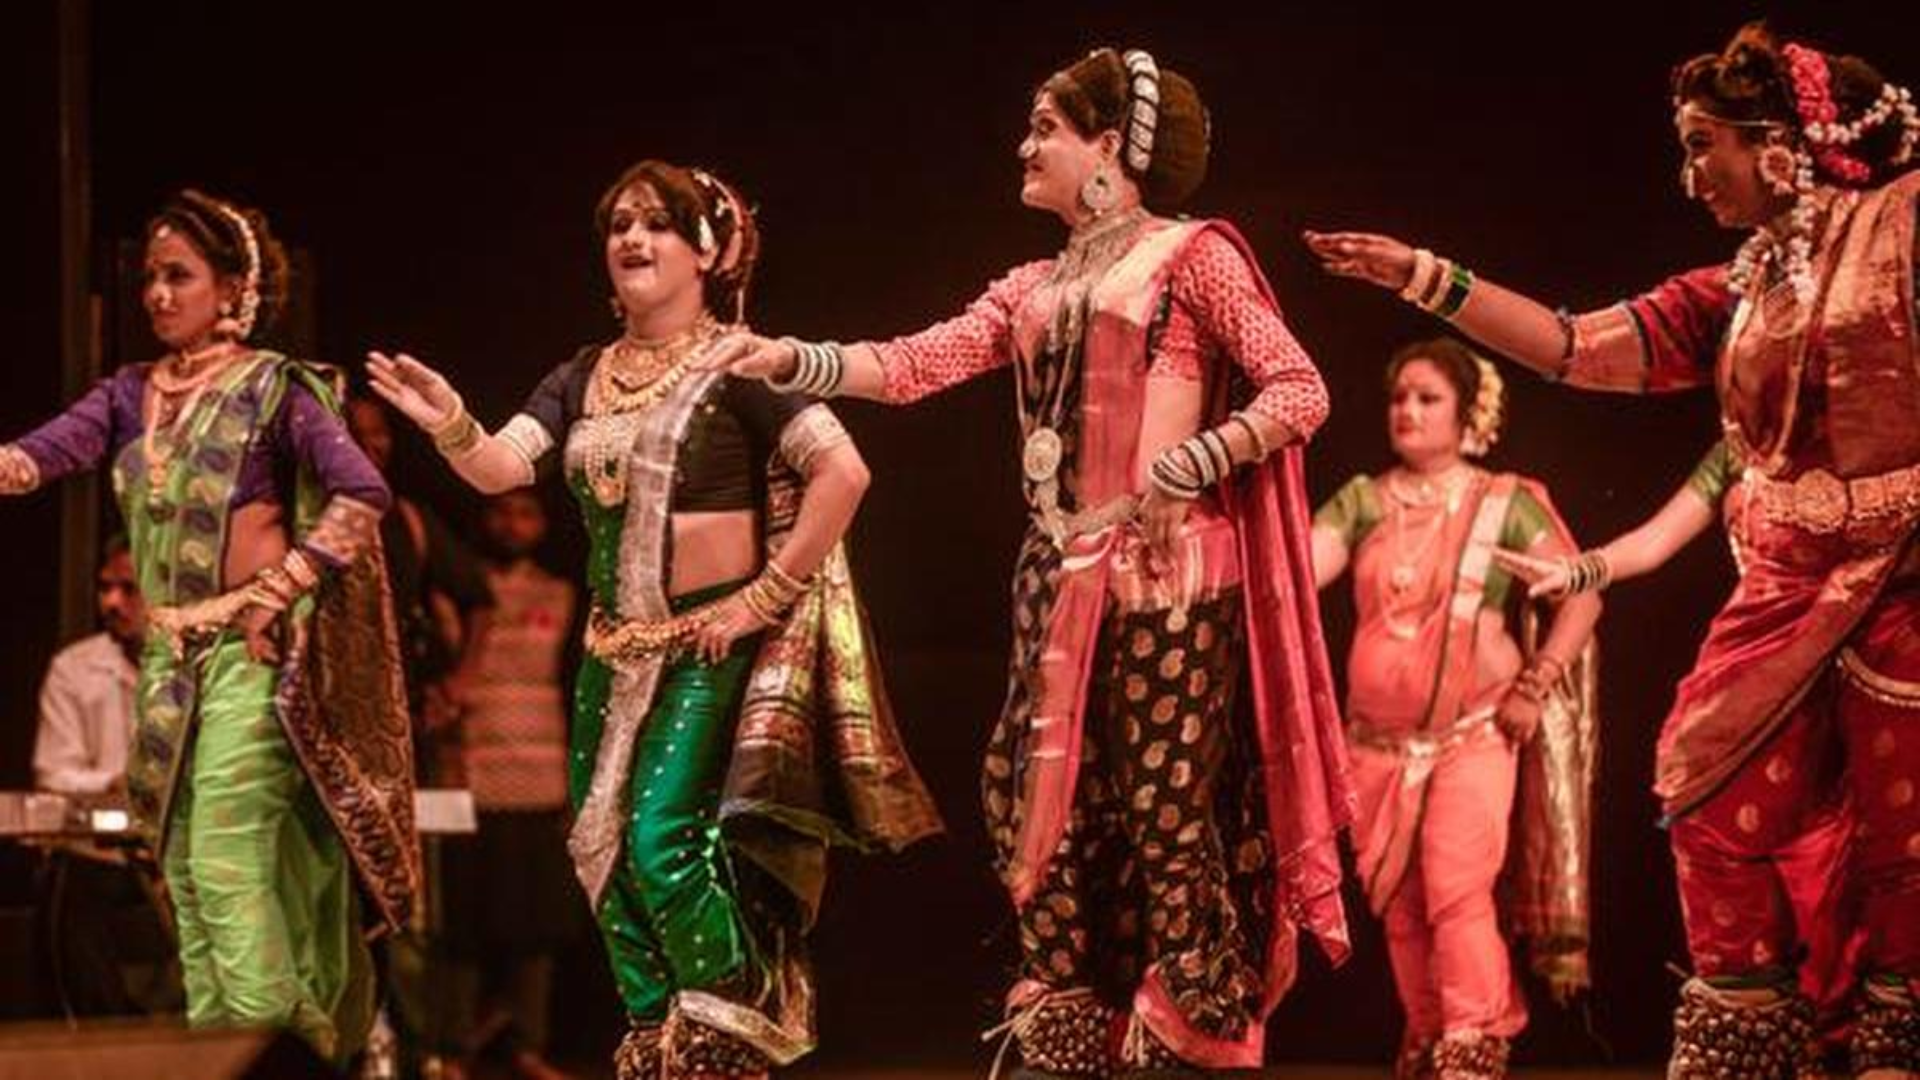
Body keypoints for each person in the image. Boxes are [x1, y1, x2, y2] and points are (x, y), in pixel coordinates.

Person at [718, 47, 1350, 1074]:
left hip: (1169, 578)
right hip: (1055, 579)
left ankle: (1191, 1034)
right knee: (1040, 810)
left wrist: (1194, 460)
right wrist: (793, 360)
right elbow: (915, 364)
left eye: (1045, 128)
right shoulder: (1032, 287)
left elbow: (1299, 387)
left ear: (1108, 148)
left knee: (1164, 811)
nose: (1023, 146)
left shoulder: (1192, 259)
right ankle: (1069, 1017)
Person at [1306, 23, 1920, 1076]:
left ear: (1780, 145)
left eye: (1704, 146)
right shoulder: (1735, 295)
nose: (1690, 177)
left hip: (1906, 582)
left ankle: (1894, 1039)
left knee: (1901, 833)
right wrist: (1423, 277)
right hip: (1782, 592)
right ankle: (1751, 1037)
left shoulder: (1900, 227)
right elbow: (1573, 345)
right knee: (1705, 792)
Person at [366, 161, 940, 1079]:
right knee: (595, 847)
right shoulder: (582, 375)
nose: (632, 238)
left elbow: (844, 474)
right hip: (613, 654)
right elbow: (501, 469)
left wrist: (761, 598)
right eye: (619, 224)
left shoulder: (739, 364)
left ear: (705, 251)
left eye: (657, 223)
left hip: (708, 649)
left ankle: (727, 1034)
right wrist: (451, 423)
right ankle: (656, 1035)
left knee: (662, 839)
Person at [0, 189, 416, 1061]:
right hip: (168, 669)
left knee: (227, 863)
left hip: (250, 663)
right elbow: (32, 460)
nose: (157, 294)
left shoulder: (275, 390)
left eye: (179, 276)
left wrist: (285, 584)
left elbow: (363, 492)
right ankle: (221, 1062)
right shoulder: (128, 395)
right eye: (150, 277)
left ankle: (280, 1061)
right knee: (186, 879)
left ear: (234, 288)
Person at [1309, 339, 1602, 1079]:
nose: (1407, 410)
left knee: (1456, 886)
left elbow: (1583, 594)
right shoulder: (1363, 499)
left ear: (1466, 414)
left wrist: (1536, 683)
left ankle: (1475, 1040)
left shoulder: (1505, 503)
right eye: (1399, 397)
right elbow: (1300, 572)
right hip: (1375, 745)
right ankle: (1430, 1032)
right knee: (1400, 903)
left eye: (1427, 398)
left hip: (1475, 731)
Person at [440, 488, 582, 1079]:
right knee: (460, 919)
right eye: (501, 511)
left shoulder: (562, 594)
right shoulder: (454, 591)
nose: (512, 523)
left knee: (536, 921)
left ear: (542, 524)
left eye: (525, 512)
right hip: (465, 776)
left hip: (540, 778)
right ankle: (451, 1046)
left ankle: (527, 1044)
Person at [32, 535, 183, 1019]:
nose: (111, 602)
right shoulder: (74, 668)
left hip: (181, 858)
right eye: (104, 588)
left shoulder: (193, 667)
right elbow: (53, 772)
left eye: (128, 589)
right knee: (72, 893)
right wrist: (114, 783)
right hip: (99, 862)